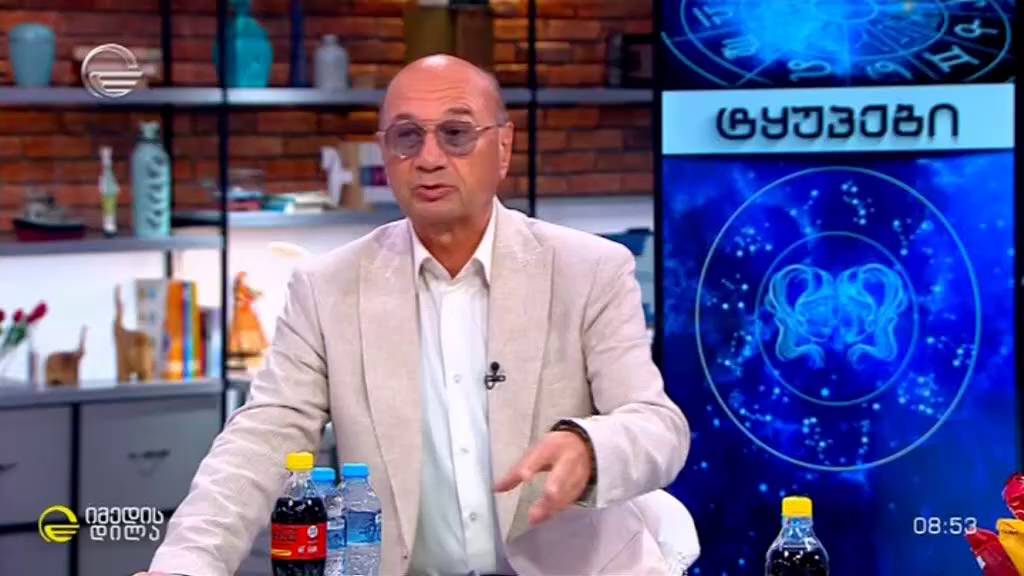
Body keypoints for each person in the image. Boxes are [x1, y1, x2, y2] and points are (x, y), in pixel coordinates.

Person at [143, 54, 689, 576]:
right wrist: (187, 562)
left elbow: (658, 427)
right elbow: (262, 437)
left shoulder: (588, 269)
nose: (429, 157)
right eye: (407, 136)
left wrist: (588, 448)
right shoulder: (328, 287)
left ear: (503, 147)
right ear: (385, 152)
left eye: (456, 133)